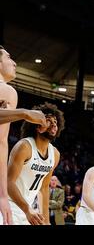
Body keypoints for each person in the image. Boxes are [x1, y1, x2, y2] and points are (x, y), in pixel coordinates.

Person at [0, 46, 47, 225]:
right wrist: (3, 195)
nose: (14, 62)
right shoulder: (7, 90)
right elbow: (1, 143)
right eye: (9, 57)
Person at [0, 102, 64, 225]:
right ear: (37, 125)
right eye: (49, 120)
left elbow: (44, 188)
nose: (54, 124)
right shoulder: (24, 147)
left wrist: (46, 220)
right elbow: (8, 182)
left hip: (28, 209)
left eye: (55, 121)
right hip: (9, 205)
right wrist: (27, 209)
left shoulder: (55, 154)